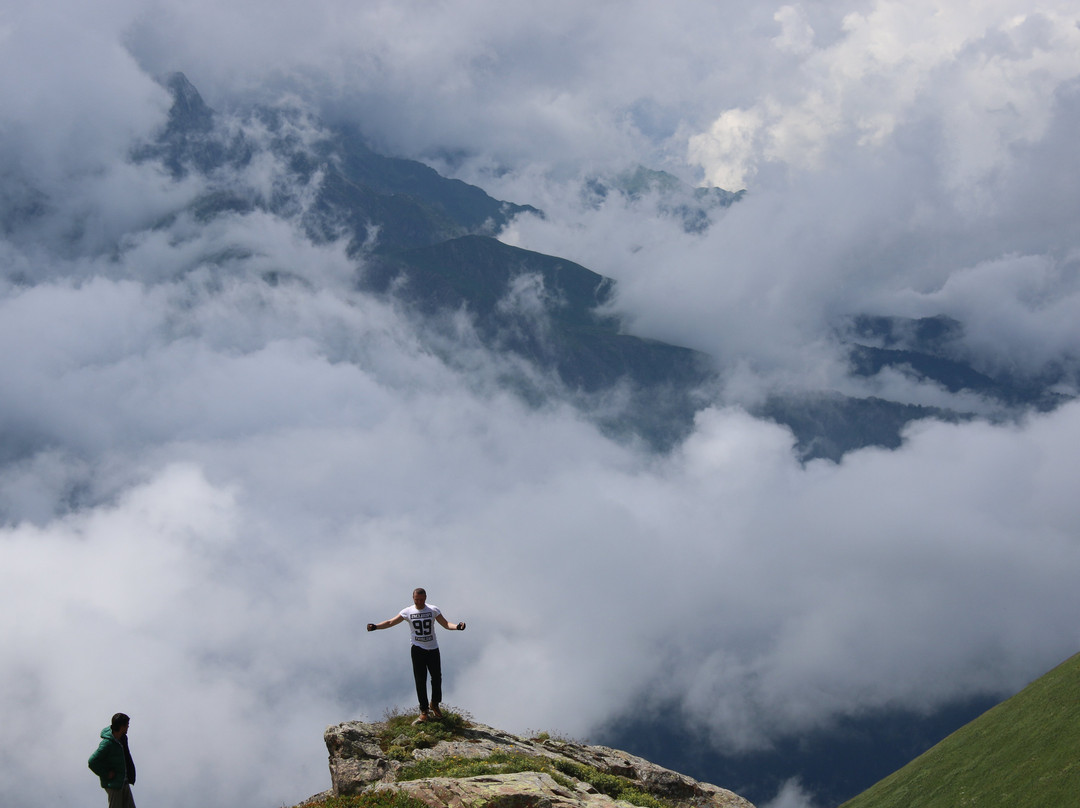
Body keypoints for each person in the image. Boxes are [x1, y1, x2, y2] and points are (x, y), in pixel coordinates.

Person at [368, 587, 466, 721]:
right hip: (417, 649)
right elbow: (391, 622)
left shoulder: (433, 610)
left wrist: (458, 627)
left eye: (421, 599)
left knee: (437, 677)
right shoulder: (407, 611)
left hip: (433, 648)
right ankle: (424, 710)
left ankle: (435, 703)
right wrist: (375, 626)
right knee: (420, 680)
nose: (419, 602)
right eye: (416, 600)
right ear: (413, 599)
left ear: (425, 598)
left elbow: (446, 624)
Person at [88, 712, 137, 808]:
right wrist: (106, 773)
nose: (128, 727)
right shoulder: (107, 744)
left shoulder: (123, 738)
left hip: (124, 782)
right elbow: (92, 761)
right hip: (114, 785)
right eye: (127, 725)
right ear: (121, 726)